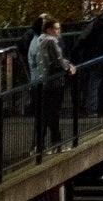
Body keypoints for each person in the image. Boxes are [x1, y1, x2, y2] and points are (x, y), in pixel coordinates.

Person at [30, 16, 76, 150]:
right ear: (49, 30)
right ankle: (56, 144)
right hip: (55, 82)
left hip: (43, 81)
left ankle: (39, 145)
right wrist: (69, 67)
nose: (58, 32)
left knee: (45, 115)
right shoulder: (51, 41)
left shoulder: (39, 40)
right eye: (56, 29)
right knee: (54, 114)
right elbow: (58, 60)